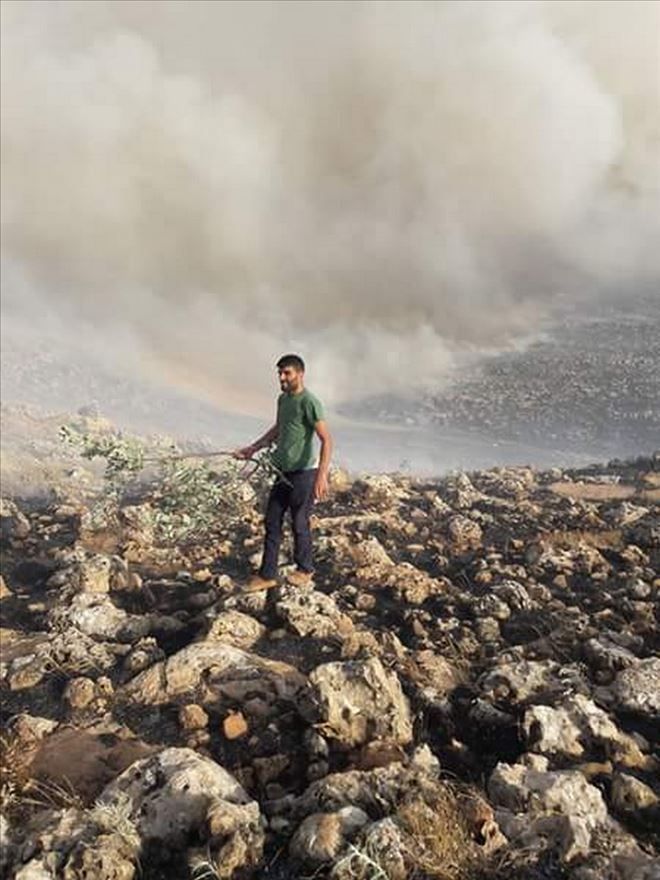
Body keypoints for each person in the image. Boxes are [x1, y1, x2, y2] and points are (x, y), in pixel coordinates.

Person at [234, 354, 333, 590]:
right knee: (272, 521)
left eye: (287, 373)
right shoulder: (283, 400)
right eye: (279, 373)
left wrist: (321, 476)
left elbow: (326, 440)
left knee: (299, 522)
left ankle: (305, 569)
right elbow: (279, 427)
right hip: (283, 472)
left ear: (300, 374)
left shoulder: (309, 402)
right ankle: (267, 574)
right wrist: (253, 448)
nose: (282, 377)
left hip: (304, 473)